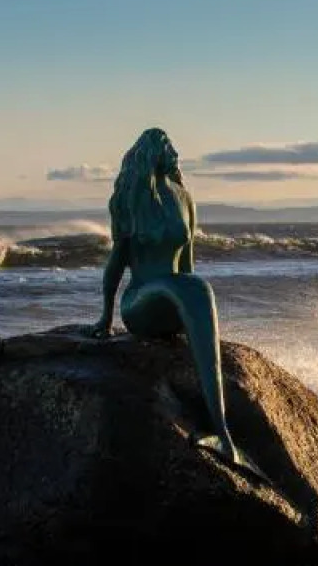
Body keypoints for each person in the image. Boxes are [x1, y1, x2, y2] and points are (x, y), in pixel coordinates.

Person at [91, 127, 259, 478]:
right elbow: (116, 263)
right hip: (141, 303)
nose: (176, 153)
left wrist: (192, 321)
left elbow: (186, 267)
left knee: (196, 288)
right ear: (150, 153)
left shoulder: (184, 198)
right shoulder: (129, 199)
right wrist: (106, 319)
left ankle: (220, 429)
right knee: (196, 290)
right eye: (166, 146)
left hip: (173, 301)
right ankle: (223, 434)